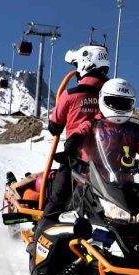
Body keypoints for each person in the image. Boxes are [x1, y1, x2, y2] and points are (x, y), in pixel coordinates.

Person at [42, 44, 110, 215]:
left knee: (57, 200)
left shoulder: (70, 94)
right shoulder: (111, 96)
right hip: (106, 161)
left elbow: (54, 127)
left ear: (84, 64)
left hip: (74, 158)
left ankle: (39, 235)